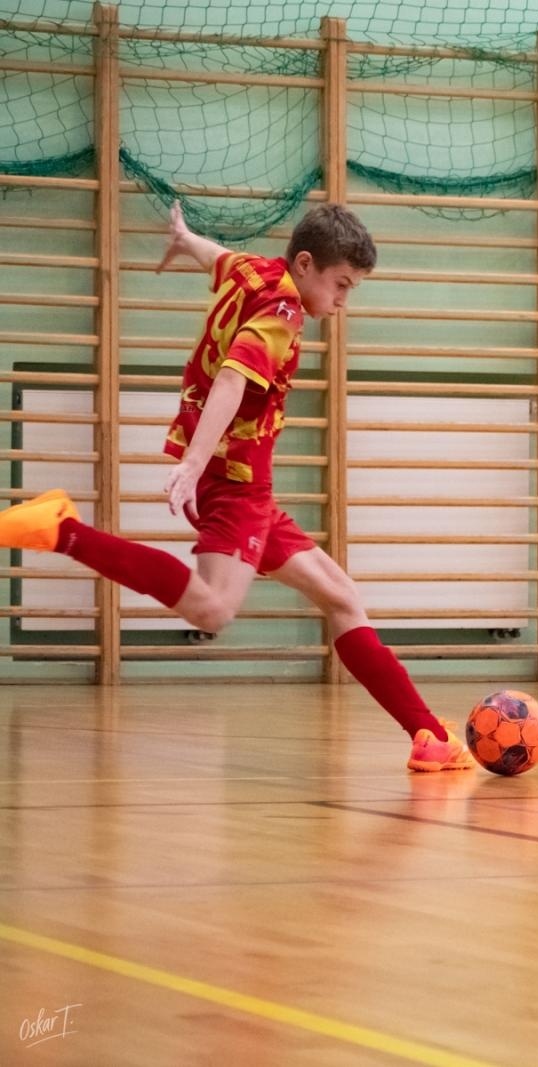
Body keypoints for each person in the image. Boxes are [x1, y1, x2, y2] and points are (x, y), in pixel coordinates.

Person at [0, 201, 473, 772]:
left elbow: (217, 258)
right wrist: (195, 465)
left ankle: (426, 736)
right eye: (341, 285)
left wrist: (185, 238)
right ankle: (63, 532)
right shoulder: (283, 312)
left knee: (342, 598)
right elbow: (231, 379)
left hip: (248, 485)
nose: (344, 302)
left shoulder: (255, 270)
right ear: (305, 265)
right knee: (215, 610)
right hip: (236, 484)